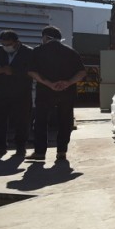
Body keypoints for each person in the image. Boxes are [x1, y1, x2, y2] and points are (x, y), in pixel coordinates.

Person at [27, 26, 86, 161]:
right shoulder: (71, 52)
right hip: (67, 93)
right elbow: (82, 72)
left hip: (45, 92)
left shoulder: (38, 51)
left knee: (41, 121)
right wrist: (68, 83)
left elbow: (31, 72)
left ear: (46, 37)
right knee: (65, 121)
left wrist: (49, 84)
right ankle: (61, 152)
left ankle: (40, 152)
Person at [0, 30, 34, 156]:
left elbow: (33, 71)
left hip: (22, 91)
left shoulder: (28, 52)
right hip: (2, 90)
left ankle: (20, 146)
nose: (6, 47)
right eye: (3, 44)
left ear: (16, 42)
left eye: (9, 44)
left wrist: (14, 71)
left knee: (22, 119)